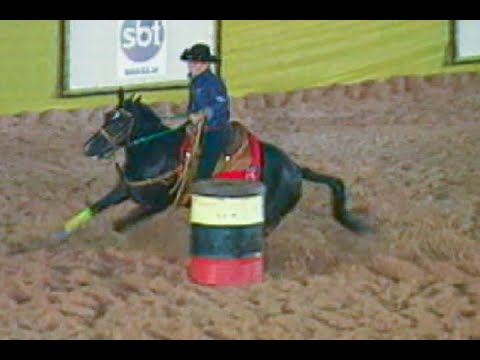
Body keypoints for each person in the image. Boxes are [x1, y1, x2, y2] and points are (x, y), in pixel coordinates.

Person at [180, 43, 232, 180]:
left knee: (206, 164)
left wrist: (203, 114)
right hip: (199, 127)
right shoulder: (195, 81)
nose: (192, 65)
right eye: (191, 62)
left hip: (215, 129)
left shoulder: (213, 82)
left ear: (206, 64)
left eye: (197, 62)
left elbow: (220, 103)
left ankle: (202, 184)